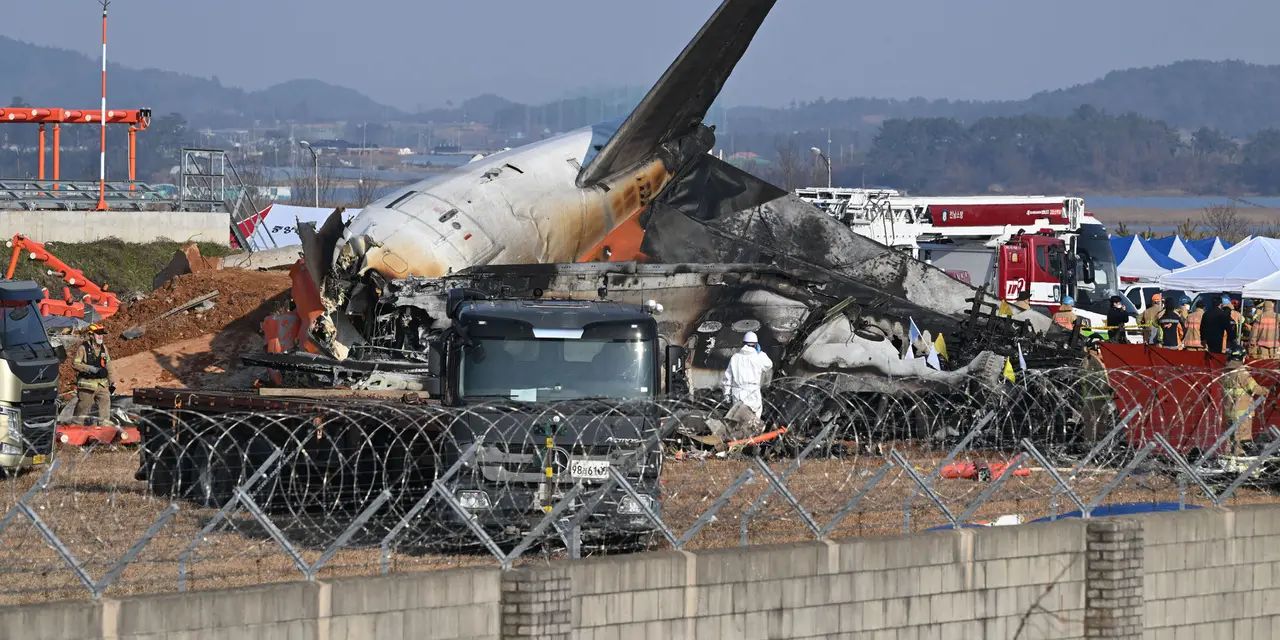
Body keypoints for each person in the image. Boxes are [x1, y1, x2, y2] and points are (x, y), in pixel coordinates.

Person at [1222, 347, 1269, 456]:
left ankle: (1229, 456)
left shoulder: (1226, 372)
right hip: (1242, 412)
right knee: (1243, 437)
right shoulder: (1242, 373)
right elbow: (1254, 388)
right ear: (1242, 358)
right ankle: (1240, 458)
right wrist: (1267, 390)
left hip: (1229, 411)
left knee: (1231, 437)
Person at [721, 330, 774, 423]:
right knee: (754, 422)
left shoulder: (735, 357)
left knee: (738, 422)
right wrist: (760, 352)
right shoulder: (758, 357)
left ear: (743, 343)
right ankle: (752, 437)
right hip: (753, 394)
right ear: (756, 344)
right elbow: (769, 365)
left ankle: (739, 437)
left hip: (738, 393)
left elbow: (727, 378)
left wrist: (726, 394)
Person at [72, 324, 115, 426]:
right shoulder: (83, 348)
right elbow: (75, 364)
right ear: (91, 335)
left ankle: (104, 433)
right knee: (83, 409)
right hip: (87, 385)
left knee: (105, 407)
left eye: (102, 334)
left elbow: (108, 365)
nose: (100, 336)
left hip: (102, 385)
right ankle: (74, 431)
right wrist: (91, 369)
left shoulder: (104, 348)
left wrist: (112, 381)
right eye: (98, 334)